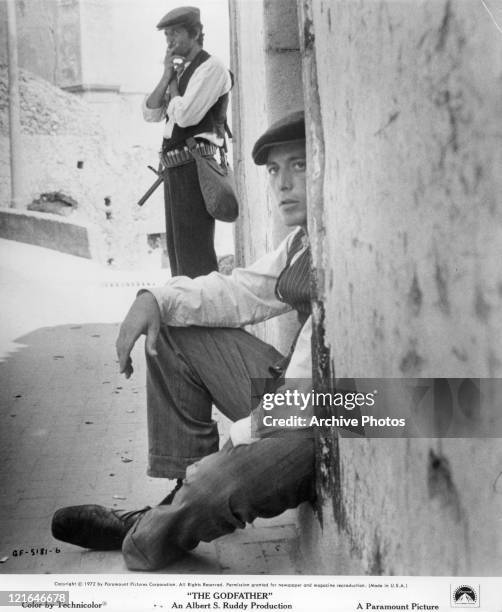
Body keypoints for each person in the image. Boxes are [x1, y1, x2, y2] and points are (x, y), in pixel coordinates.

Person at [52, 110, 316, 571]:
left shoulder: (357, 245)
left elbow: (311, 393)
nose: (282, 183)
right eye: (275, 169)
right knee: (171, 326)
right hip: (293, 393)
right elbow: (241, 291)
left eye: (298, 165)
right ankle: (179, 494)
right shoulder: (301, 241)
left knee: (175, 524)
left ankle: (151, 529)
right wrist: (154, 297)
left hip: (344, 410)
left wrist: (242, 437)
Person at [143, 6, 233, 278]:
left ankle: (206, 318)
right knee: (179, 257)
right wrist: (166, 77)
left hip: (196, 168)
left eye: (175, 34)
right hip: (175, 170)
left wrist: (173, 88)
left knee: (196, 255)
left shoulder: (212, 68)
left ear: (194, 33)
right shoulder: (179, 74)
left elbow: (184, 115)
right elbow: (150, 113)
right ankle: (188, 318)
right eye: (166, 36)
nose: (169, 42)